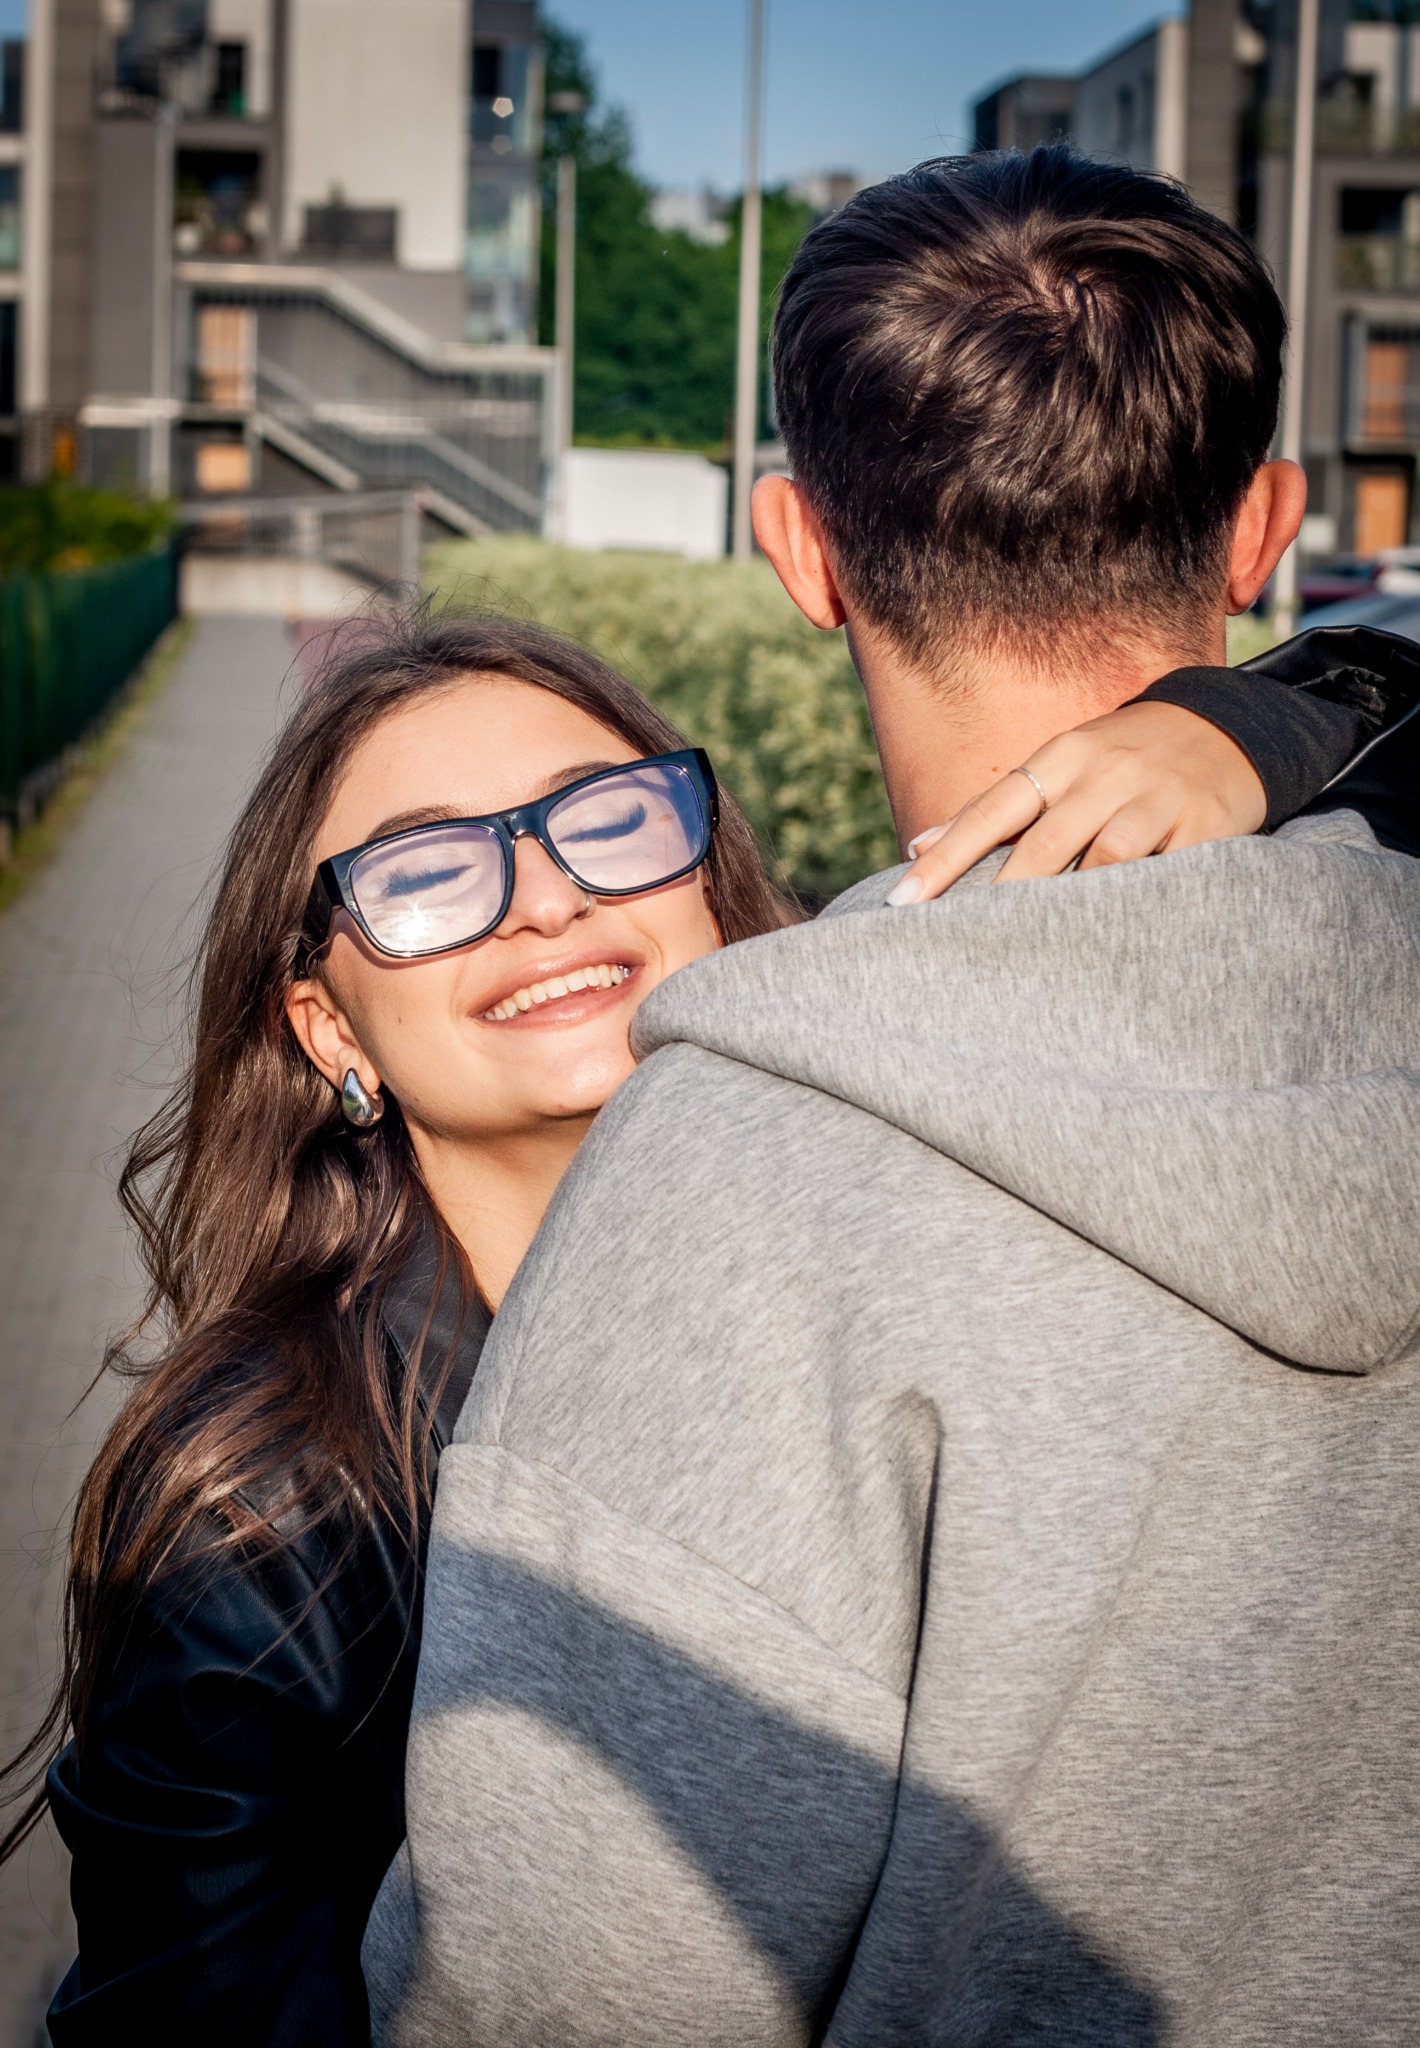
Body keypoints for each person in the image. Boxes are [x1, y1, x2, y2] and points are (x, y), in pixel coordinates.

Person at [364, 151, 1420, 2047]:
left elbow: (566, 1989)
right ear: (1264, 531)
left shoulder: (743, 1170)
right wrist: (1312, 705)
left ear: (800, 551)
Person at [5, 604, 1382, 2047]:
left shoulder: (885, 1211)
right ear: (326, 1027)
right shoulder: (262, 1513)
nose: (545, 902)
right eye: (422, 872)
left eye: (604, 819)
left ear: (709, 878)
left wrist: (1252, 722)